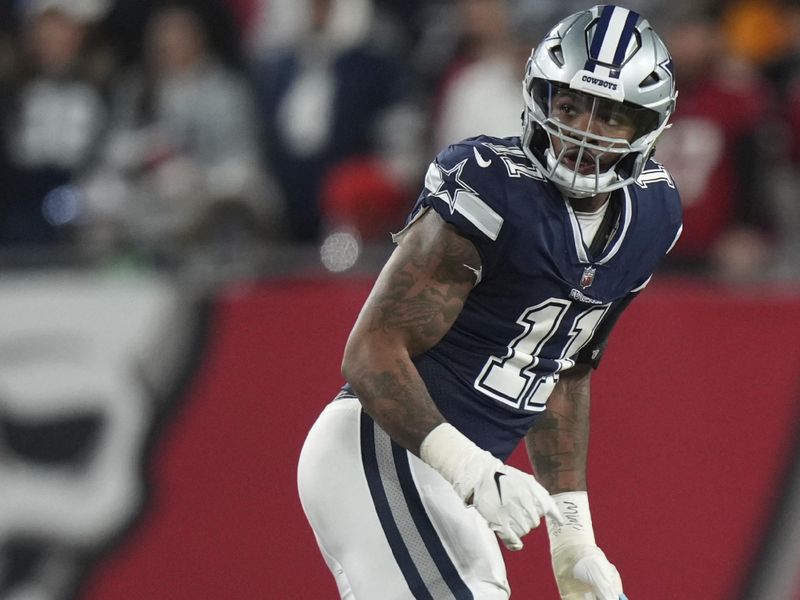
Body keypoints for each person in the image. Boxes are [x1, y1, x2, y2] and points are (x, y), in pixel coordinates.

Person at [298, 5, 681, 599]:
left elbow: (565, 368)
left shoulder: (651, 216)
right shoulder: (491, 187)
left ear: (648, 126)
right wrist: (472, 468)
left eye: (611, 115)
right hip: (382, 450)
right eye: (570, 104)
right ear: (538, 96)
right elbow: (371, 351)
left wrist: (573, 536)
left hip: (451, 478)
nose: (583, 129)